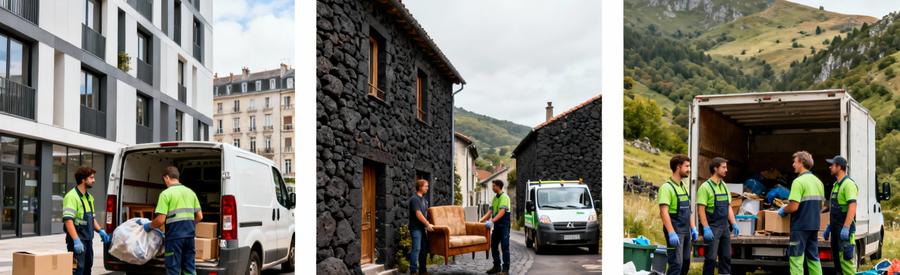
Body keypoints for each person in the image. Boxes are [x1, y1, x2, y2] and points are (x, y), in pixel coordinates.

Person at [138, 166, 202, 275]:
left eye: (164, 180)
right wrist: (189, 225)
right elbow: (200, 216)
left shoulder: (166, 194)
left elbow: (160, 220)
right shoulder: (191, 192)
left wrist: (148, 226)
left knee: (173, 270)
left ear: (167, 177)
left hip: (174, 238)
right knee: (189, 269)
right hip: (189, 237)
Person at [777, 151, 824, 275]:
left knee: (796, 259)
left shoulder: (798, 182)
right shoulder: (818, 182)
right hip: (814, 226)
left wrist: (783, 210)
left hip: (800, 227)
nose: (793, 165)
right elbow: (822, 206)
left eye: (795, 162)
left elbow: (793, 207)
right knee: (813, 258)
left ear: (802, 163)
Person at [62, 167, 111, 275]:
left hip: (88, 241)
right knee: (76, 270)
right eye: (91, 178)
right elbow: (68, 220)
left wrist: (100, 230)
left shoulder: (89, 198)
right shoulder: (71, 197)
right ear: (83, 180)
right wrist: (76, 240)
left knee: (87, 268)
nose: (94, 180)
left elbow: (91, 219)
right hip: (77, 242)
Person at [696, 157, 738, 275]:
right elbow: (701, 209)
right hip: (712, 227)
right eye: (724, 167)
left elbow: (728, 206)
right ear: (715, 168)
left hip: (724, 227)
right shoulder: (705, 187)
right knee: (711, 258)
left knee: (726, 257)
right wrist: (706, 227)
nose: (726, 170)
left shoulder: (724, 186)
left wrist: (733, 223)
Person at [659, 155, 697, 275]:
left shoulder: (683, 187)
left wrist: (693, 228)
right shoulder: (666, 188)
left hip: (686, 231)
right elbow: (663, 212)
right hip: (675, 231)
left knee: (685, 263)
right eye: (687, 166)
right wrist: (671, 233)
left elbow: (688, 210)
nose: (689, 169)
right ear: (678, 167)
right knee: (676, 264)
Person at [822, 155, 857, 274]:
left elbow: (852, 207)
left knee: (846, 265)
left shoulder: (848, 184)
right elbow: (835, 209)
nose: (830, 167)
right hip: (836, 231)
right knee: (838, 265)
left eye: (832, 165)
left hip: (844, 232)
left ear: (840, 167)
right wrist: (829, 227)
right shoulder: (836, 185)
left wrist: (846, 228)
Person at [480, 180, 511, 275]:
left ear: (499, 186)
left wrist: (492, 221)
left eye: (494, 186)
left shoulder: (504, 197)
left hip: (504, 226)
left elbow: (502, 212)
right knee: (493, 245)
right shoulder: (494, 198)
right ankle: (497, 266)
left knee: (504, 247)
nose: (492, 188)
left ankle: (505, 270)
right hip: (497, 226)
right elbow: (490, 212)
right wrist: (480, 221)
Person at [408, 179, 434, 275]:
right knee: (416, 248)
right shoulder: (414, 199)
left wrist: (428, 224)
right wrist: (427, 224)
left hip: (422, 229)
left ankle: (422, 270)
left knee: (424, 249)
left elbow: (425, 214)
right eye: (426, 186)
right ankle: (413, 271)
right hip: (415, 229)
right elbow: (418, 214)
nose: (427, 188)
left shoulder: (424, 200)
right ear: (420, 187)